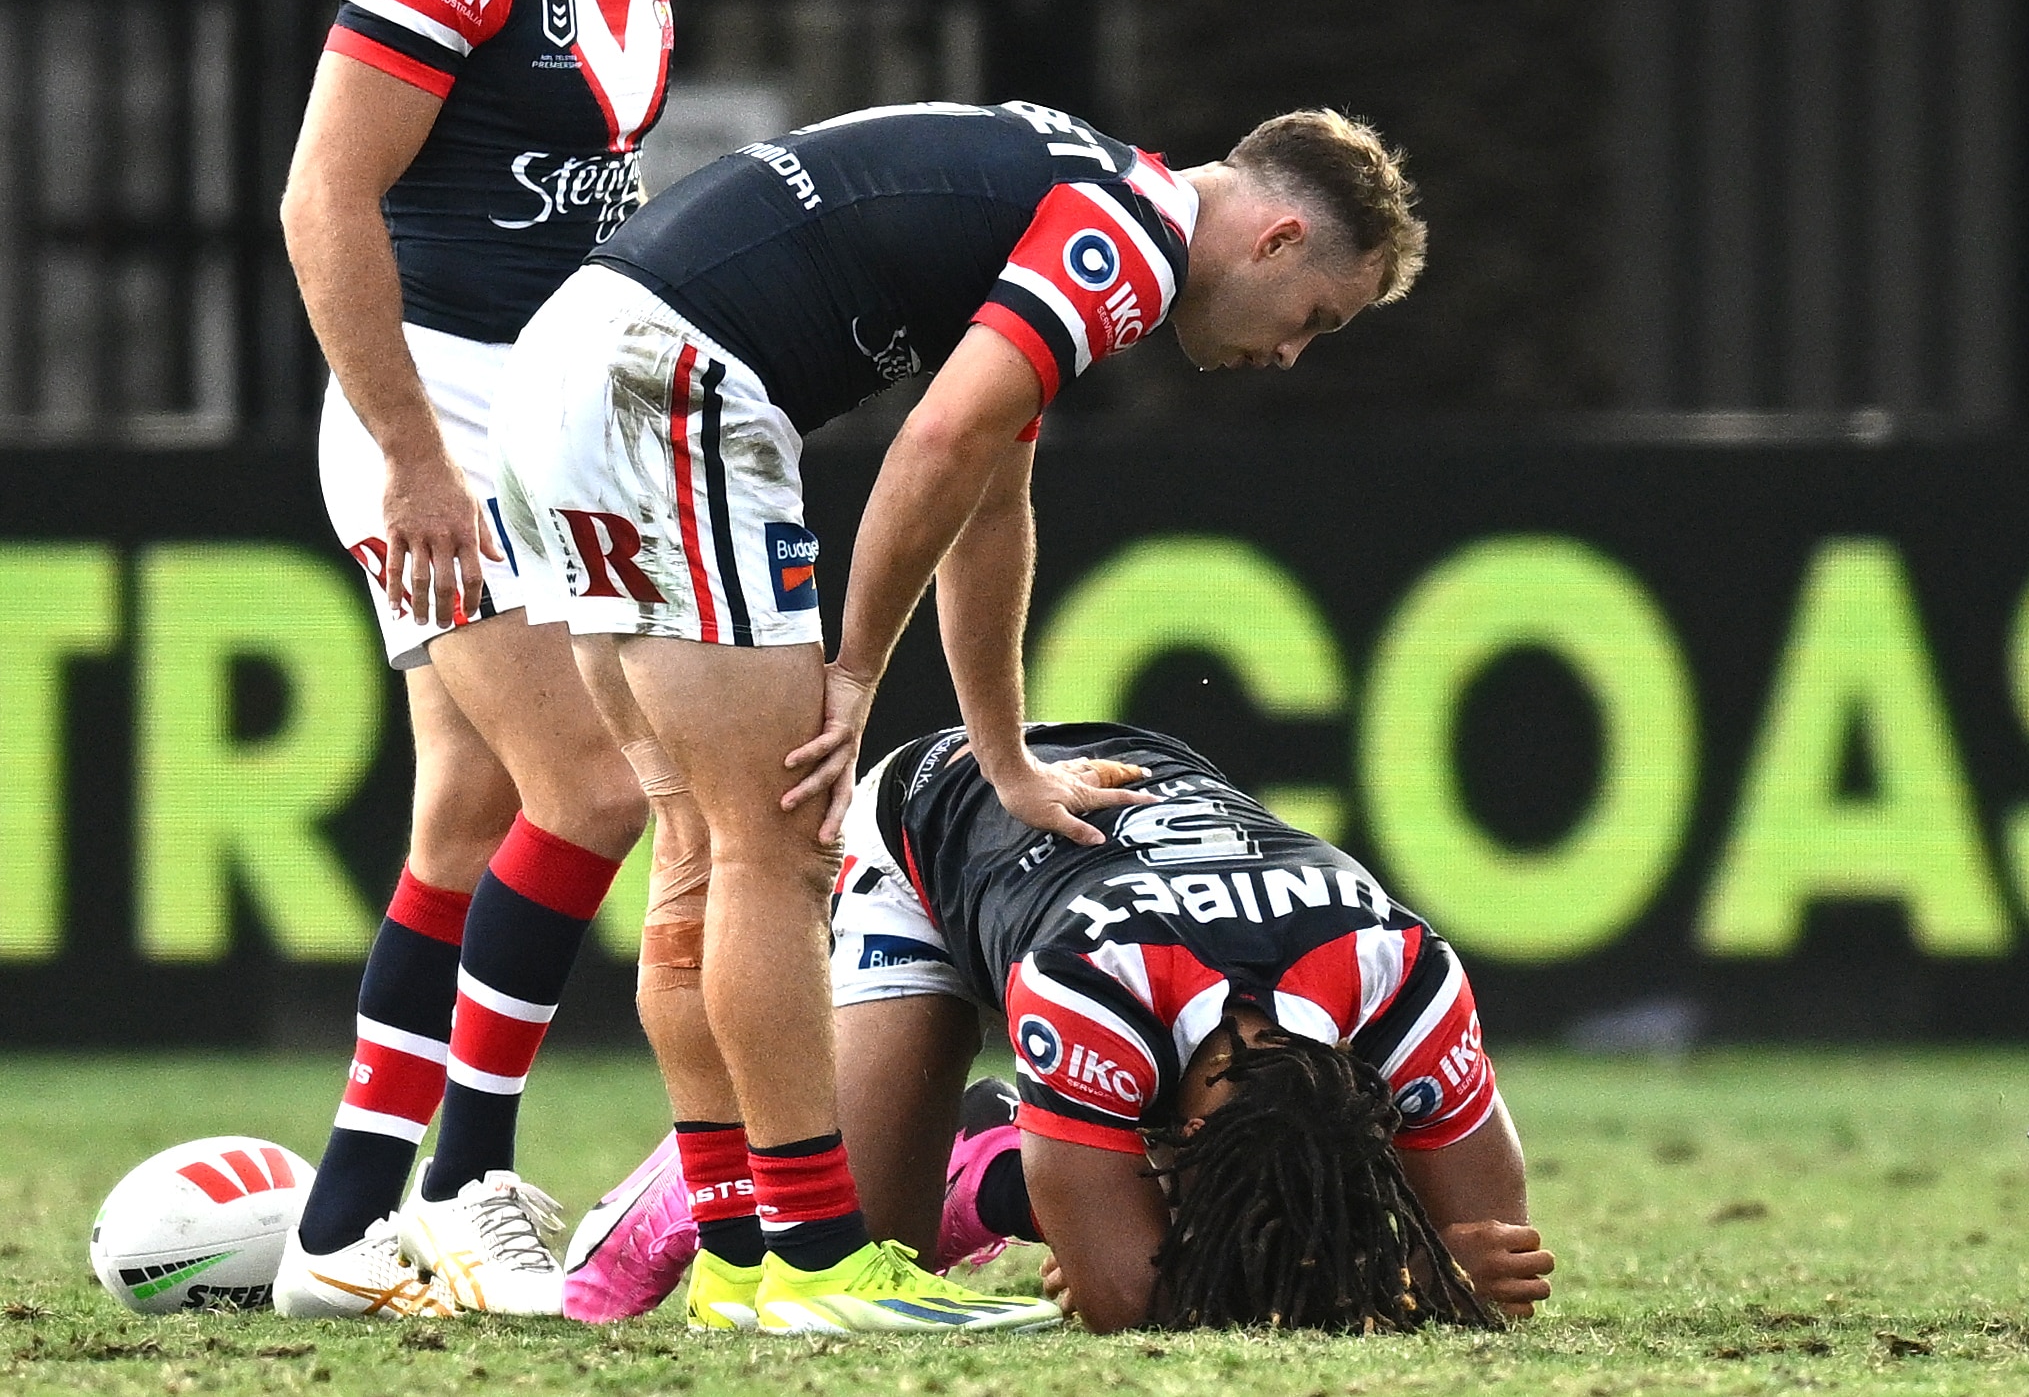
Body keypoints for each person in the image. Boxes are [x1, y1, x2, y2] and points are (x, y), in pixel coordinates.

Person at [492, 100, 1428, 1332]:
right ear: (1276, 238)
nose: (1291, 354)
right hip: (667, 382)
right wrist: (854, 672)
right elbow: (933, 442)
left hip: (563, 369)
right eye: (1316, 318)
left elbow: (989, 499)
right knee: (775, 846)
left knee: (700, 845)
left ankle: (733, 1254)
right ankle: (817, 1264)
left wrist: (1006, 757)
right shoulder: (1134, 232)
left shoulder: (1076, 191)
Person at [271, 0, 769, 1320]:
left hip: (549, 415)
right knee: (596, 788)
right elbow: (323, 201)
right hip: (432, 417)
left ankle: (341, 1230)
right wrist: (411, 461)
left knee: (472, 810)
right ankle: (477, 1180)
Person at [564, 721, 1557, 1334]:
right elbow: (1120, 1299)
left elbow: (1497, 1238)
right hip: (935, 820)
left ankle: (1021, 1150)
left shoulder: (1403, 973)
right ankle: (705, 1177)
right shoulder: (1092, 986)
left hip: (1143, 800)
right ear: (1181, 1142)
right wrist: (1403, 1277)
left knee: (1103, 1216)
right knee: (860, 1239)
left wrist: (1429, 1259)